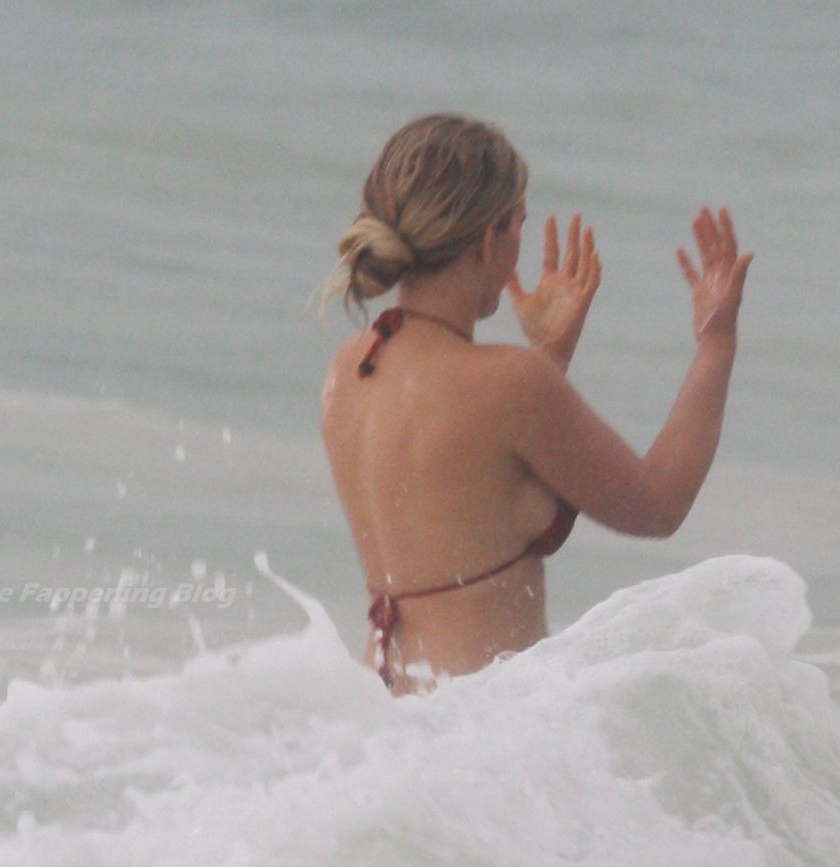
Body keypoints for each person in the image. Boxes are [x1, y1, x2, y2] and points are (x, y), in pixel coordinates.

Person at [318, 113, 751, 692]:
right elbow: (659, 504)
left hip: (382, 712)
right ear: (489, 239)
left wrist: (548, 355)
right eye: (519, 224)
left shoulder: (349, 368)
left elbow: (473, 496)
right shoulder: (510, 384)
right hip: (481, 720)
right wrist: (716, 341)